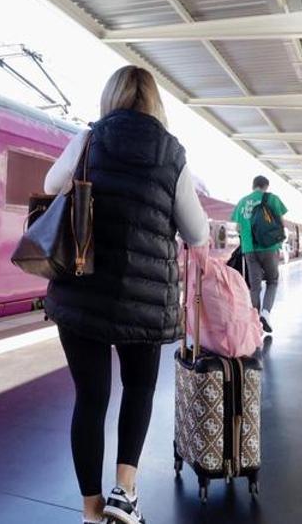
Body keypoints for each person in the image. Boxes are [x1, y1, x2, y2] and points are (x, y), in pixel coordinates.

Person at [43, 65, 209, 524]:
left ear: (110, 97)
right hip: (145, 301)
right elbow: (196, 231)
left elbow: (50, 186)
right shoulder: (172, 154)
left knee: (90, 400)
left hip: (81, 291)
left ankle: (91, 511)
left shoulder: (90, 139)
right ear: (155, 102)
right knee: (139, 388)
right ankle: (126, 492)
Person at [231, 175, 287, 333]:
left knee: (254, 287)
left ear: (253, 186)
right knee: (272, 281)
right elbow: (281, 224)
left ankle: (255, 323)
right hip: (269, 247)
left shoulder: (242, 202)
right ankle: (266, 313)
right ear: (266, 186)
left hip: (249, 250)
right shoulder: (272, 199)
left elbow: (237, 229)